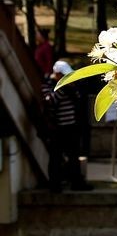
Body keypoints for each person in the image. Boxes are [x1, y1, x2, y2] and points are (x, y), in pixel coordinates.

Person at [41, 62, 90, 192]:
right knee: (55, 158)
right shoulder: (48, 84)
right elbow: (49, 101)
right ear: (57, 74)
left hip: (71, 127)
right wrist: (62, 87)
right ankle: (55, 184)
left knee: (74, 156)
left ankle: (76, 183)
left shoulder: (72, 87)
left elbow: (78, 99)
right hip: (57, 128)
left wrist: (71, 88)